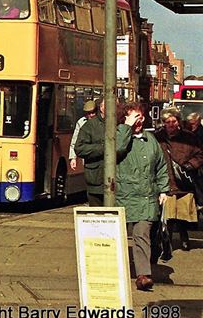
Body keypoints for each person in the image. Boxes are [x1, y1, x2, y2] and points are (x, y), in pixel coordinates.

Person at [114, 103, 169, 291]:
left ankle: (143, 275)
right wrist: (126, 127)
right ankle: (114, 269)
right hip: (124, 196)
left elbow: (161, 166)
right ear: (124, 119)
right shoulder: (119, 136)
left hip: (146, 197)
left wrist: (163, 190)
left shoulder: (150, 139)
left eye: (141, 116)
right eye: (134, 117)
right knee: (118, 236)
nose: (140, 120)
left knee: (141, 235)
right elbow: (117, 151)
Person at [155, 109, 202, 253]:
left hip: (183, 182)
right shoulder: (157, 138)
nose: (171, 124)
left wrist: (191, 165)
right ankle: (166, 244)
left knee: (181, 215)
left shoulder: (189, 137)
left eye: (173, 121)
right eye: (167, 122)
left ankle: (184, 237)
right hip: (166, 181)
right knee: (167, 216)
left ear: (178, 121)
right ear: (163, 123)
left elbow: (200, 154)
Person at [74, 98, 113, 206]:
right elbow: (79, 148)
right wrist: (103, 148)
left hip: (119, 184)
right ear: (101, 108)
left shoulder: (122, 125)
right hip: (96, 181)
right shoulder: (89, 126)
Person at [69, 99, 99, 170]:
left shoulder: (101, 122)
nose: (91, 115)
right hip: (87, 158)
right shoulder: (81, 122)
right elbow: (75, 141)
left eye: (93, 112)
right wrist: (73, 158)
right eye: (88, 113)